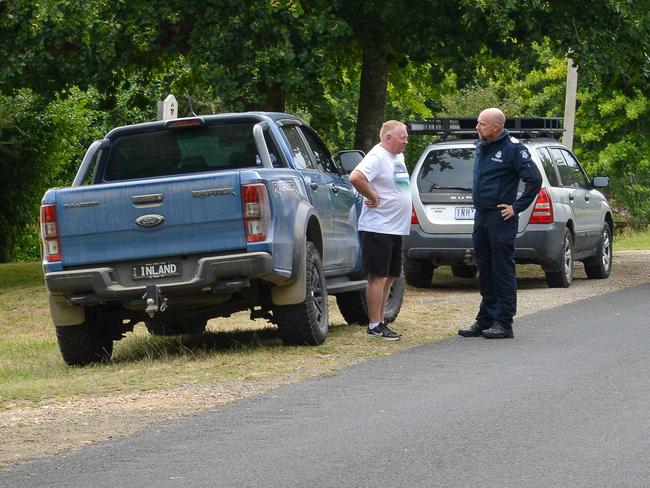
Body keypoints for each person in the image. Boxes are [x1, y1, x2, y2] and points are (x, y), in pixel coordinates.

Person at [458, 108, 542, 339]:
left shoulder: (513, 149)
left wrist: (516, 207)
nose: (477, 127)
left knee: (501, 268)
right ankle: (485, 319)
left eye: (482, 124)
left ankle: (504, 322)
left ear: (497, 127)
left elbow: (534, 179)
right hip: (482, 215)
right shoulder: (482, 146)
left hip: (501, 218)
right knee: (484, 267)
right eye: (478, 123)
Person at [349, 120, 411, 340]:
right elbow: (356, 177)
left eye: (406, 136)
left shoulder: (398, 157)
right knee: (379, 276)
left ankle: (381, 320)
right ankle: (374, 324)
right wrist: (372, 196)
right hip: (379, 227)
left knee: (392, 275)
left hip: (395, 228)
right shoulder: (377, 156)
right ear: (388, 138)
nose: (406, 141)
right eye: (402, 137)